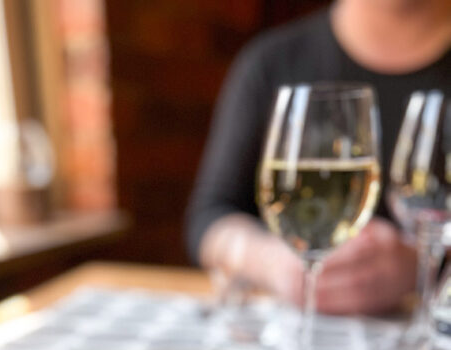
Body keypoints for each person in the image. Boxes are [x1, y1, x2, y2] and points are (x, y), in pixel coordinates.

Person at [185, 0, 451, 315]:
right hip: (286, 324)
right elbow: (210, 215)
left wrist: (424, 264)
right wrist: (268, 262)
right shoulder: (271, 61)